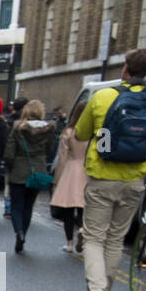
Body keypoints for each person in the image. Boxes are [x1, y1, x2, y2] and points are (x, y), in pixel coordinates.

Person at [74, 48, 146, 291]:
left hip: (102, 178)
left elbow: (82, 133)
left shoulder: (104, 97)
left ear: (125, 68)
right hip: (134, 180)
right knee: (116, 239)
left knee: (95, 237)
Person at [2, 99, 57, 254]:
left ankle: (18, 231)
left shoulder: (18, 128)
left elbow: (9, 153)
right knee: (28, 206)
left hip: (19, 170)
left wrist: (10, 166)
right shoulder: (49, 129)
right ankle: (23, 234)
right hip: (38, 171)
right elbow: (49, 149)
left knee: (16, 206)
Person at [50, 98, 88, 254]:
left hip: (71, 170)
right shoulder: (99, 132)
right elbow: (104, 152)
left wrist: (57, 178)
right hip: (88, 170)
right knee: (84, 208)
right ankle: (82, 230)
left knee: (68, 209)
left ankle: (69, 243)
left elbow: (63, 156)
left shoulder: (68, 132)